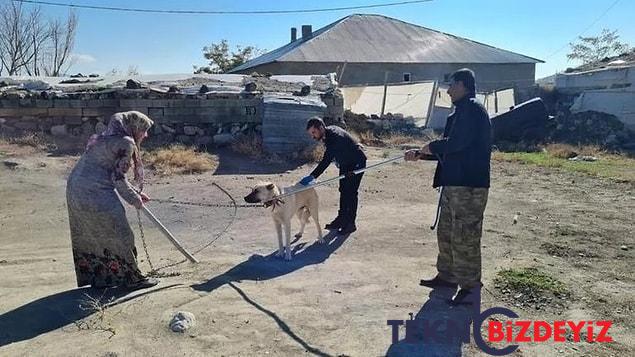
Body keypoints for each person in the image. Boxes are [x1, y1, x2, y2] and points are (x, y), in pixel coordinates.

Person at [405, 68, 491, 305]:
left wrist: (430, 147)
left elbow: (458, 143)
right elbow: (450, 150)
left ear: (463, 85)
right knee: (447, 232)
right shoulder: (459, 113)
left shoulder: (473, 110)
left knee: (465, 235)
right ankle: (448, 276)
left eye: (452, 84)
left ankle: (470, 287)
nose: (449, 89)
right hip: (453, 184)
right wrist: (421, 155)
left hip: (469, 185)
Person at [66, 110, 157, 290]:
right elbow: (118, 178)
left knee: (92, 235)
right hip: (94, 192)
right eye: (143, 130)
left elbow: (111, 172)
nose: (145, 135)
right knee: (121, 233)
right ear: (134, 127)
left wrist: (135, 194)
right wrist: (134, 199)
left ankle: (100, 279)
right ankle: (132, 279)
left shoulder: (104, 137)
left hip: (75, 190)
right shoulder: (126, 142)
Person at [300, 117, 366, 235]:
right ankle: (341, 219)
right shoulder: (328, 132)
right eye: (311, 134)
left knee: (351, 193)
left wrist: (312, 176)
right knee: (343, 190)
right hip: (346, 163)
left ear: (320, 128)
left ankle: (350, 223)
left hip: (357, 163)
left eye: (314, 133)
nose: (313, 136)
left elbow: (326, 160)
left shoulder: (334, 138)